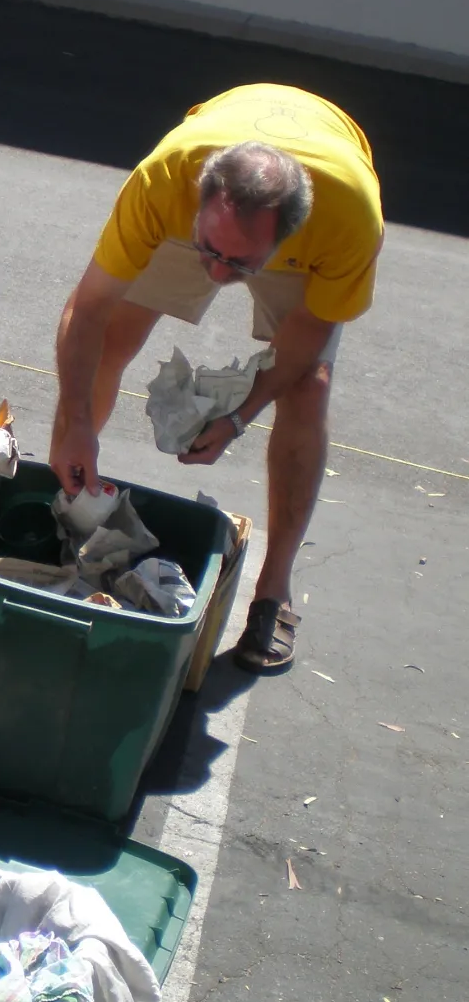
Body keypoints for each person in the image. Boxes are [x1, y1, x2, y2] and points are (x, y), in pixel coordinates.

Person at [48, 84, 384, 672]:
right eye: (209, 251)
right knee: (113, 339)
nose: (216, 273)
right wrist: (75, 422)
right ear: (201, 199)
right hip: (199, 203)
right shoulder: (165, 181)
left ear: (285, 235)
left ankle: (273, 591)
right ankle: (68, 506)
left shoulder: (348, 219)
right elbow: (90, 306)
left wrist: (238, 418)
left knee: (308, 387)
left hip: (319, 211)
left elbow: (307, 336)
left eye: (239, 263)